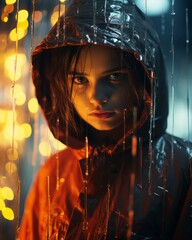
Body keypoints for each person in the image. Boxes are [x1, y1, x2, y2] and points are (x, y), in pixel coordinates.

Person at [18, 0, 192, 239]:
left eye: (113, 77)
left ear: (143, 79)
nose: (97, 98)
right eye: (80, 79)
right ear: (61, 85)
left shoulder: (182, 169)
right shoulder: (53, 174)